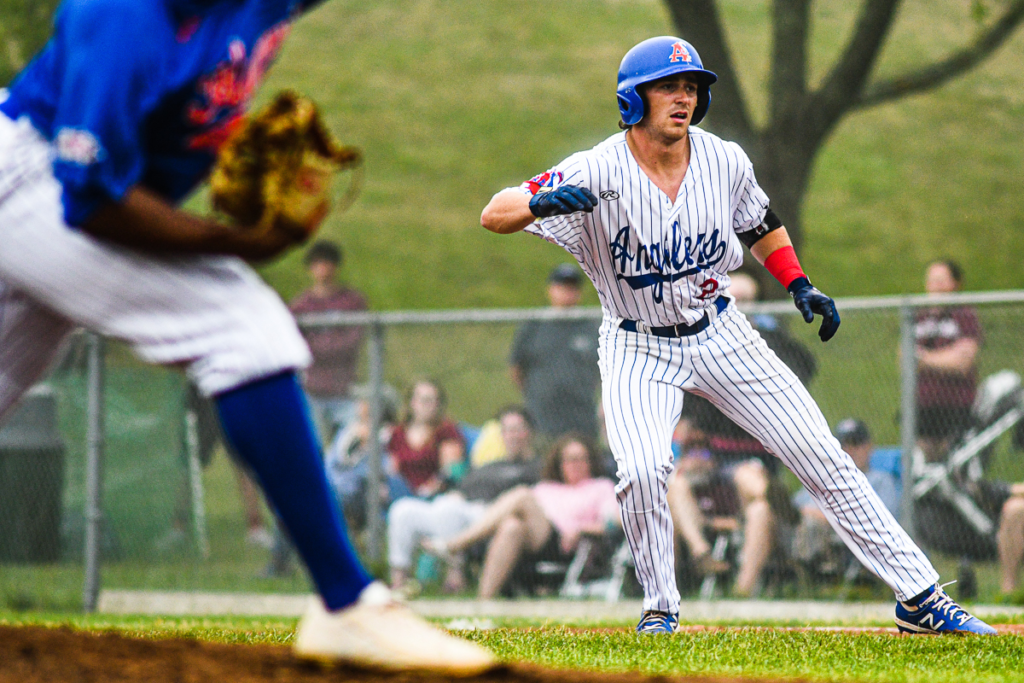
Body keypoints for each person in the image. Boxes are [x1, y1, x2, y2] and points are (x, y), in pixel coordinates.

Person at [0, 0, 492, 671]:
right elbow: (90, 198)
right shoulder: (119, 17)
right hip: (36, 178)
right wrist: (233, 243)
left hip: (57, 182)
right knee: (241, 327)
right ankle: (347, 603)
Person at [479, 35, 994, 635]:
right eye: (669, 87)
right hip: (637, 343)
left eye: (692, 87)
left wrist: (798, 283)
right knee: (642, 471)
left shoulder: (723, 159)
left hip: (720, 330)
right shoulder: (597, 168)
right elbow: (495, 213)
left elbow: (760, 223)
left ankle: (920, 598)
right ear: (632, 99)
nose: (684, 97)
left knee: (820, 453)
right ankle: (660, 609)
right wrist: (540, 204)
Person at [667, 271, 812, 595]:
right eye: (733, 300)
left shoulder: (771, 345)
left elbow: (804, 368)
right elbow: (689, 420)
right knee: (675, 483)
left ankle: (743, 590)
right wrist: (693, 452)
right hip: (713, 460)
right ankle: (701, 555)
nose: (740, 307)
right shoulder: (700, 345)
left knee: (755, 493)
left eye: (747, 300)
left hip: (754, 459)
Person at [425, 435, 618, 599]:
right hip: (535, 543)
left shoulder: (601, 487)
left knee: (523, 495)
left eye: (581, 459)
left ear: (591, 462)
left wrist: (581, 529)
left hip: (567, 545)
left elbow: (615, 522)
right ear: (559, 463)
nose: (575, 465)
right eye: (569, 459)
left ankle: (456, 545)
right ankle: (484, 601)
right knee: (512, 526)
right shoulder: (546, 487)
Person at [388, 406, 541, 595]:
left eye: (517, 429)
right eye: (507, 430)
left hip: (489, 516)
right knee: (403, 509)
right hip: (457, 507)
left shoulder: (536, 467)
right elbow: (461, 488)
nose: (512, 436)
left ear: (530, 432)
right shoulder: (488, 465)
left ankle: (455, 577)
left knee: (450, 511)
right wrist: (454, 495)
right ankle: (399, 583)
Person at [792, 418, 900, 573]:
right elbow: (793, 507)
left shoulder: (880, 480)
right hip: (809, 529)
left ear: (869, 447)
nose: (850, 450)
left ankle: (814, 573)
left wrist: (824, 516)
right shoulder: (822, 479)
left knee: (811, 524)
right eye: (843, 445)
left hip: (849, 539)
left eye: (855, 443)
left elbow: (881, 520)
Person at [509, 263, 601, 443]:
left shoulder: (590, 327)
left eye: (572, 287)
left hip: (582, 419)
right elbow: (516, 368)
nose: (567, 292)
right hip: (542, 419)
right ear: (550, 289)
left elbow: (602, 370)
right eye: (562, 286)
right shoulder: (534, 326)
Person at [290, 240, 368, 445]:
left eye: (327, 263)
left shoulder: (351, 302)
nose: (323, 269)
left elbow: (354, 339)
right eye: (318, 263)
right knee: (313, 443)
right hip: (313, 389)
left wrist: (321, 345)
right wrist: (328, 345)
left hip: (345, 388)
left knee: (350, 443)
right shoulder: (301, 305)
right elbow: (297, 344)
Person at [915, 260, 982, 463]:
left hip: (957, 406)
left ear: (955, 283)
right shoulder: (919, 316)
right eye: (932, 280)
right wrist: (945, 357)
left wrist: (924, 358)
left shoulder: (964, 315)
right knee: (925, 466)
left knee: (954, 464)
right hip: (924, 406)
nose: (935, 286)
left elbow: (963, 361)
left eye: (941, 280)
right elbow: (905, 359)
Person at [387, 379, 467, 498]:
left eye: (434, 401)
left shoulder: (446, 431)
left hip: (435, 495)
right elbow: (392, 469)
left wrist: (428, 490)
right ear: (412, 402)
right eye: (424, 400)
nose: (429, 406)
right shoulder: (398, 433)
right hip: (402, 493)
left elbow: (451, 470)